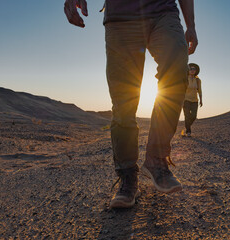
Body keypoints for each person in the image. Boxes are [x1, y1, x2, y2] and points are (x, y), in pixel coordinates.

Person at [64, 0, 198, 208]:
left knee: (177, 72)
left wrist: (191, 26)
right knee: (123, 99)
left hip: (163, 11)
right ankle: (127, 176)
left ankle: (156, 159)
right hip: (121, 16)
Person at [182, 63, 202, 137]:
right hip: (185, 100)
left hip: (195, 100)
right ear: (188, 70)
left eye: (194, 69)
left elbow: (200, 90)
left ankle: (187, 126)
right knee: (187, 116)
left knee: (193, 116)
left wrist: (201, 100)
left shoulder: (198, 80)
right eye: (191, 69)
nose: (192, 70)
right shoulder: (185, 78)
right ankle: (188, 131)